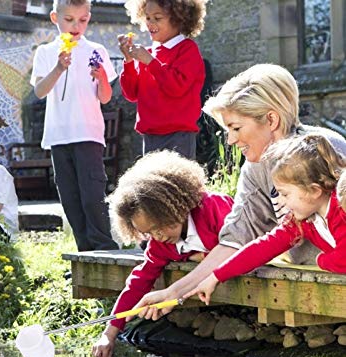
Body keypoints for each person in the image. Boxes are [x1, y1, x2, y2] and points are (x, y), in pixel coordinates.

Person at [131, 63, 346, 322]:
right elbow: (237, 239)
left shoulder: (324, 149)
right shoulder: (255, 169)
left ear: (271, 119)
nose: (230, 140)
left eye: (235, 128)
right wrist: (175, 291)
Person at [92, 150, 234, 357]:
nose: (157, 236)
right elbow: (138, 282)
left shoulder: (214, 207)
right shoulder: (160, 244)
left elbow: (239, 244)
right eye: (149, 232)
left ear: (174, 205)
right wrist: (109, 333)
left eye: (159, 226)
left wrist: (203, 256)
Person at [185, 134, 346, 305]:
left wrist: (323, 260)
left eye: (285, 194)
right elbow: (264, 247)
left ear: (314, 191)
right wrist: (215, 276)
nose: (281, 201)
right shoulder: (303, 221)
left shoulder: (340, 211)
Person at [30, 0, 119, 251]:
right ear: (55, 18)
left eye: (82, 20)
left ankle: (105, 247)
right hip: (59, 136)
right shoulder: (46, 52)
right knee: (70, 197)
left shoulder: (96, 50)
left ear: (88, 18)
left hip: (89, 133)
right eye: (69, 20)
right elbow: (39, 91)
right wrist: (59, 68)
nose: (75, 26)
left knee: (92, 194)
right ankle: (84, 250)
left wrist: (102, 78)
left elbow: (105, 97)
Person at [118, 0, 207, 156]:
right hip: (150, 135)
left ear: (178, 19)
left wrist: (150, 62)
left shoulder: (187, 49)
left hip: (179, 135)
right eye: (147, 17)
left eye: (157, 18)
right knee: (152, 181)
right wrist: (129, 61)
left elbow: (176, 87)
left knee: (177, 181)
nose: (150, 23)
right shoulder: (147, 53)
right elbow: (131, 94)